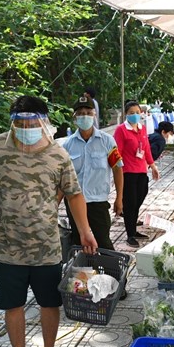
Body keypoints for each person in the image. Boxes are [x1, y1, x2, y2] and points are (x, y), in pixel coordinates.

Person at [0, 95, 98, 347]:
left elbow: (74, 194)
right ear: (12, 122)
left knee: (49, 303)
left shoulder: (58, 154)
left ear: (43, 122)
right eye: (20, 122)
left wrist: (86, 230)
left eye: (31, 122)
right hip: (8, 247)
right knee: (12, 306)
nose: (26, 127)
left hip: (47, 246)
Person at [62, 95, 123, 253]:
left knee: (103, 243)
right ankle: (84, 276)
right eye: (80, 113)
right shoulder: (67, 145)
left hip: (98, 203)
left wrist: (119, 198)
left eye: (88, 112)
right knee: (80, 244)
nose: (85, 116)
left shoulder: (107, 141)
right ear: (75, 117)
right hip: (75, 204)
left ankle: (111, 276)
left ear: (94, 114)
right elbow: (63, 178)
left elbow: (117, 169)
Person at [114, 100, 160, 247]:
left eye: (137, 112)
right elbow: (117, 153)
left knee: (139, 200)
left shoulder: (142, 128)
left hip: (141, 171)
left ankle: (133, 227)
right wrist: (118, 171)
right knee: (130, 203)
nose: (134, 115)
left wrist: (153, 166)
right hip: (128, 172)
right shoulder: (121, 130)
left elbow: (146, 148)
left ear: (141, 113)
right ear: (126, 115)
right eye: (131, 113)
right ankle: (130, 234)